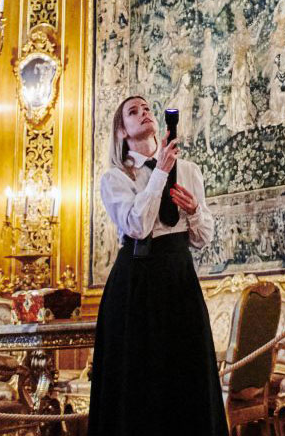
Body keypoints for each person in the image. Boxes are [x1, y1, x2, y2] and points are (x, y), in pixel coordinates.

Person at [88, 94, 225, 436]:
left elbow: (203, 237)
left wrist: (193, 211)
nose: (144, 113)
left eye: (147, 108)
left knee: (187, 373)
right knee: (140, 379)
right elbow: (137, 226)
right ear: (121, 131)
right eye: (133, 112)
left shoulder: (190, 171)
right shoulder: (115, 178)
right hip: (136, 281)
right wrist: (159, 173)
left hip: (179, 278)